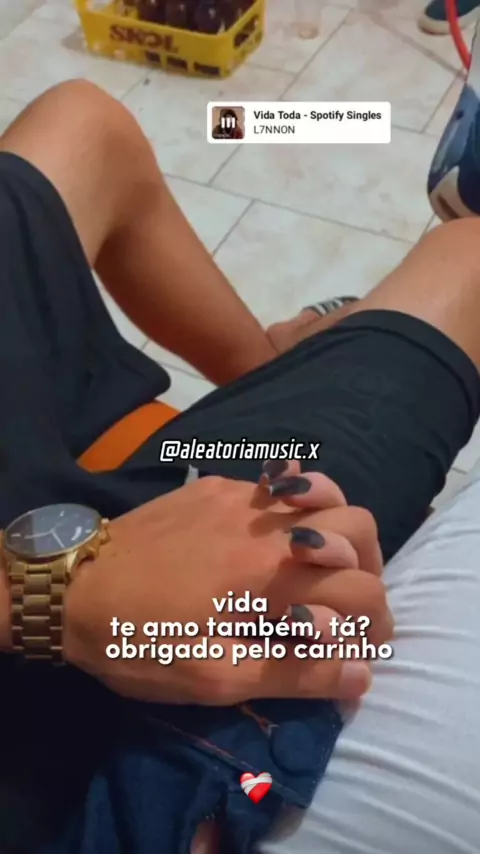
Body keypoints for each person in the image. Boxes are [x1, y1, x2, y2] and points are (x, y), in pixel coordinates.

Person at [0, 78, 479, 854]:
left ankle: (268, 366)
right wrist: (47, 596)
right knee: (467, 260)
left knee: (84, 126)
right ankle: (286, 372)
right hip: (59, 725)